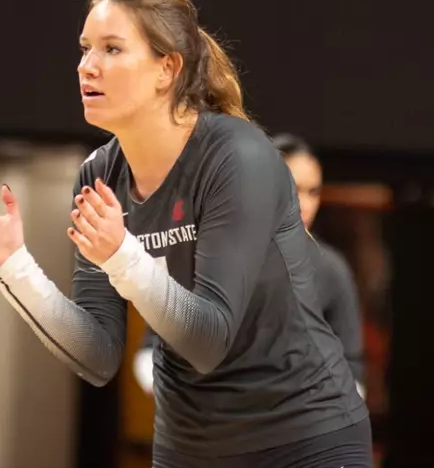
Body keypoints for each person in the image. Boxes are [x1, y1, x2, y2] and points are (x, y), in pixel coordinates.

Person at [0, 0, 376, 468]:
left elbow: (209, 339)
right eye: (85, 49)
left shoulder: (238, 156)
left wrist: (122, 255)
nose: (86, 66)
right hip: (190, 453)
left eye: (112, 49)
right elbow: (97, 355)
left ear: (168, 69)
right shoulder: (99, 174)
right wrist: (13, 266)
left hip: (302, 437)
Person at [135, 134, 366, 400]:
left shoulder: (330, 270)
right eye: (292, 187)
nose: (304, 204)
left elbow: (352, 370)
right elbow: (152, 349)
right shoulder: (204, 257)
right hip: (210, 423)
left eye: (313, 191)